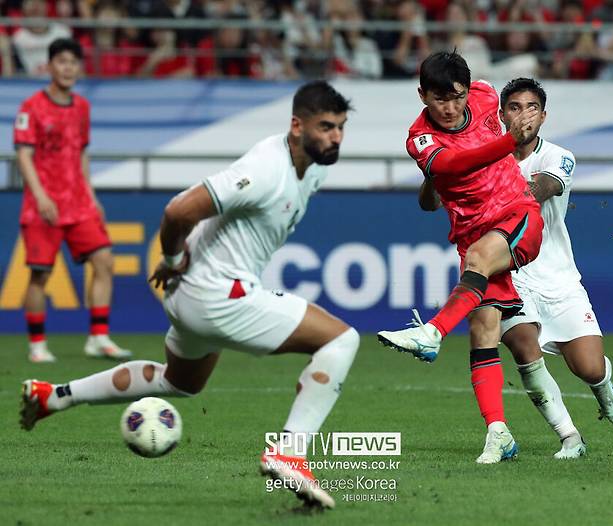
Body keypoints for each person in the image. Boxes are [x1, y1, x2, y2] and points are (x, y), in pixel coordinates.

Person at [20, 81, 359, 509]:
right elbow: (179, 210)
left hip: (193, 295)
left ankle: (54, 396)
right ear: (296, 126)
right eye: (326, 127)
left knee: (178, 381)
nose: (336, 137)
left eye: (341, 127)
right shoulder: (265, 169)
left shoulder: (315, 165)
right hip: (217, 294)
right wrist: (173, 254)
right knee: (341, 339)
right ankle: (289, 453)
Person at [377, 51, 543, 464]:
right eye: (439, 99)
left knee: (480, 260)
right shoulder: (421, 139)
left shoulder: (487, 95)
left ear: (469, 91)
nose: (450, 108)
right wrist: (509, 140)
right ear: (422, 95)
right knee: (483, 332)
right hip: (471, 237)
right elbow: (452, 164)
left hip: (516, 214)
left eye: (456, 97)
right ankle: (498, 432)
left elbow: (518, 117)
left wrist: (526, 127)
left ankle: (432, 333)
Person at [497, 77, 613, 459]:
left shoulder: (559, 156)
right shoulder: (486, 157)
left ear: (544, 115)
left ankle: (603, 386)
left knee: (587, 367)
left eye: (531, 107)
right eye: (515, 107)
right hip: (510, 274)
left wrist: (484, 186)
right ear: (502, 114)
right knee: (523, 346)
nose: (523, 115)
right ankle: (570, 436)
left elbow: (541, 189)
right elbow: (432, 199)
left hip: (558, 276)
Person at [14, 38, 131, 363]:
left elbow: (81, 154)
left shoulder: (82, 107)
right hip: (43, 207)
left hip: (78, 204)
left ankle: (98, 337)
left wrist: (91, 196)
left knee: (105, 260)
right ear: (49, 66)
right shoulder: (31, 107)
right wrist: (39, 196)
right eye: (61, 61)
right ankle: (37, 345)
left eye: (73, 62)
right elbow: (24, 156)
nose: (68, 67)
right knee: (40, 275)